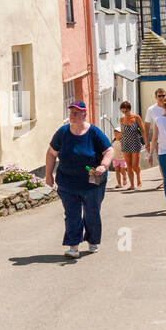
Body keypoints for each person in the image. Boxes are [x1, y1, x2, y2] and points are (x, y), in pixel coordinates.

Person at [45, 101, 114, 258]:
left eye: (76, 113)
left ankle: (92, 240)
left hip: (92, 182)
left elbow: (109, 150)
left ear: (84, 114)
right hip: (67, 183)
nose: (72, 116)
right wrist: (48, 174)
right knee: (72, 214)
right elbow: (51, 153)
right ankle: (73, 247)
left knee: (91, 213)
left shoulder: (94, 133)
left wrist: (103, 165)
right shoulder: (62, 133)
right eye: (71, 113)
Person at [117, 100, 147, 190]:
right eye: (122, 111)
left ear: (129, 109)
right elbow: (122, 132)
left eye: (125, 111)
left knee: (135, 165)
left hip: (135, 143)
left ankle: (138, 178)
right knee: (129, 166)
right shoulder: (122, 119)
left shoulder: (137, 117)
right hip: (125, 144)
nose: (124, 113)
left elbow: (142, 130)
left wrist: (146, 142)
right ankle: (132, 185)